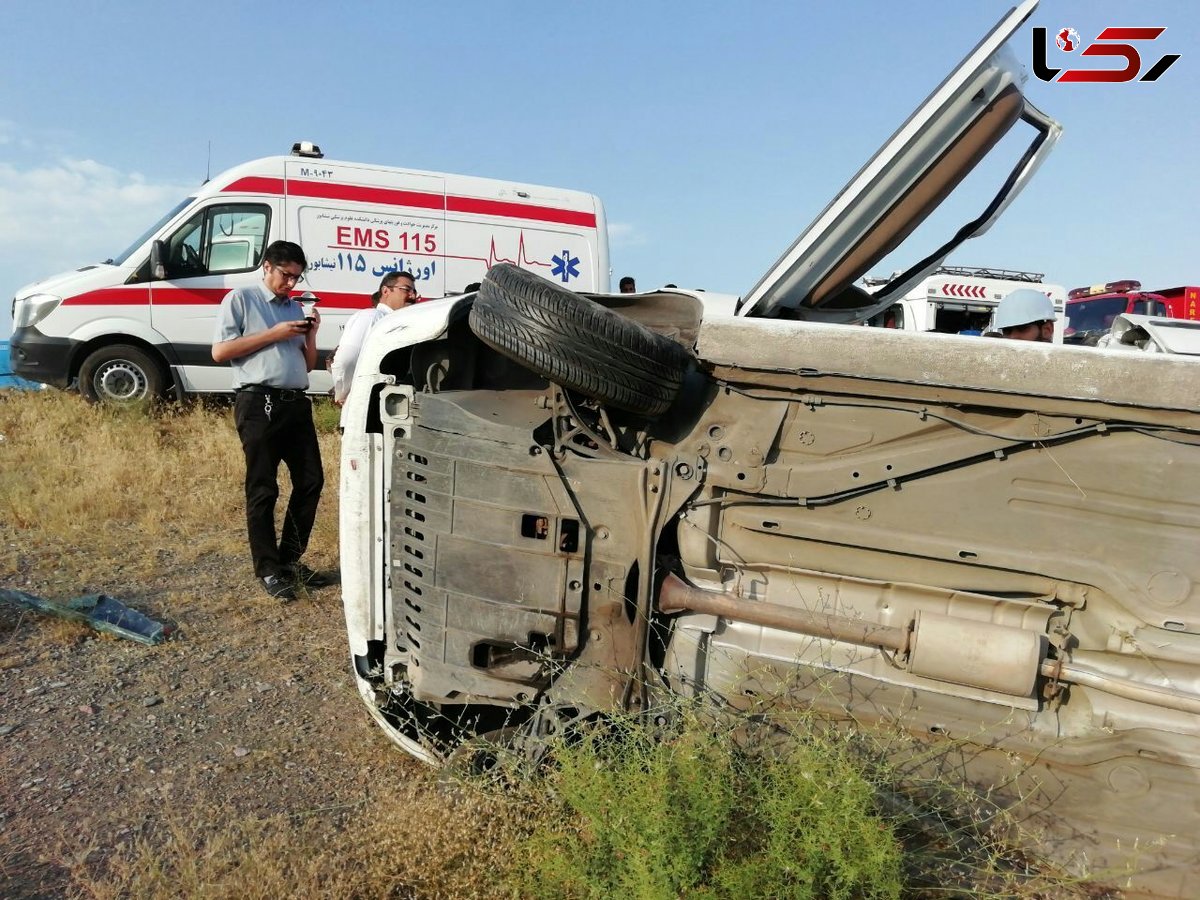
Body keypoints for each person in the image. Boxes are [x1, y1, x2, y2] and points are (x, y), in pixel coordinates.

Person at [212, 240, 331, 602]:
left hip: (296, 402)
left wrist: (310, 334)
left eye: (296, 277)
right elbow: (220, 352)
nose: (291, 284)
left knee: (311, 480)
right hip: (258, 401)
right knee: (263, 487)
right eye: (285, 275)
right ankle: (267, 568)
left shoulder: (294, 307)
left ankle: (290, 561)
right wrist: (273, 334)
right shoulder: (241, 299)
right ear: (267, 266)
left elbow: (307, 364)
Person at [331, 270, 418, 411]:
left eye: (414, 291)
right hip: (364, 409)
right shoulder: (371, 317)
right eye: (406, 290)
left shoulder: (398, 323)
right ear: (385, 291)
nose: (412, 296)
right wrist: (344, 393)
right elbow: (346, 359)